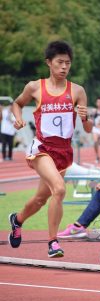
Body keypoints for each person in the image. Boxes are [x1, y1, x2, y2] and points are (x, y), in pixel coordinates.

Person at [8, 40, 93, 258]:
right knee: (60, 188)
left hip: (63, 152)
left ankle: (17, 220)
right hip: (42, 148)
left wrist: (85, 118)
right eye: (59, 62)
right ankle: (53, 242)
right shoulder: (35, 87)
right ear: (49, 63)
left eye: (68, 63)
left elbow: (88, 128)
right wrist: (18, 119)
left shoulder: (78, 91)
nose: (64, 67)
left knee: (40, 199)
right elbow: (17, 103)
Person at [91, 97, 100, 163]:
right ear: (96, 103)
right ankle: (97, 156)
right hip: (95, 128)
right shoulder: (94, 111)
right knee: (95, 142)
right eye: (97, 102)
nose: (99, 103)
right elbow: (91, 120)